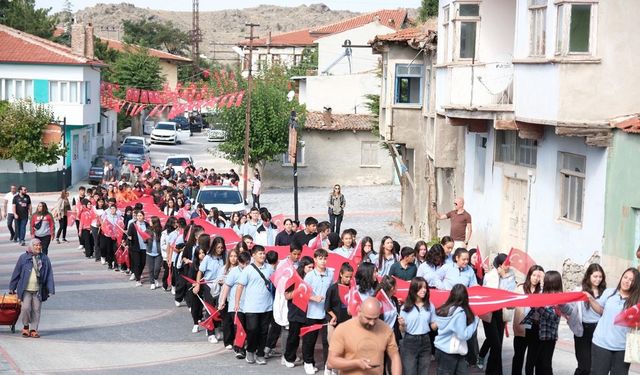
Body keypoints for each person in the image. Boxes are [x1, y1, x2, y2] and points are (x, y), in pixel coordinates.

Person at [328, 297, 401, 375]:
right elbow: (331, 362)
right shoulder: (343, 329)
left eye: (376, 318)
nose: (372, 323)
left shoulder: (386, 329)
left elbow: (394, 356)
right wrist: (356, 363)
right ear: (359, 311)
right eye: (368, 318)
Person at [588, 267, 640, 375]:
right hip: (601, 344)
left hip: (623, 348)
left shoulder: (636, 300)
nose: (627, 281)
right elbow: (601, 310)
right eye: (625, 277)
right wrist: (590, 299)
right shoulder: (609, 292)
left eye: (631, 280)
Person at [521, 270, 573, 375]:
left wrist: (538, 307)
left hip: (548, 336)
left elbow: (554, 315)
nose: (542, 281)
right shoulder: (541, 294)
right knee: (533, 362)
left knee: (545, 365)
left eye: (545, 280)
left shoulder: (559, 297)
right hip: (536, 333)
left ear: (551, 282)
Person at [234, 245, 274, 365]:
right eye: (260, 253)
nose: (262, 255)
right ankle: (250, 350)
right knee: (252, 330)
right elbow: (240, 286)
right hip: (251, 307)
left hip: (267, 306)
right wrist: (237, 303)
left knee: (264, 331)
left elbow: (275, 282)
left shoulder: (269, 269)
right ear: (253, 255)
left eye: (263, 253)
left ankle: (260, 354)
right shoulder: (248, 269)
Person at [8, 239, 55, 338]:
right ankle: (26, 326)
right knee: (25, 308)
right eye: (36, 245)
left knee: (36, 309)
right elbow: (16, 273)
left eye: (39, 245)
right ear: (31, 246)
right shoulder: (23, 258)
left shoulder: (44, 258)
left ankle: (33, 329)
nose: (38, 247)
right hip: (25, 289)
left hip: (38, 289)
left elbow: (49, 274)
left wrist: (50, 289)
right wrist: (12, 287)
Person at [481, 253, 516, 375]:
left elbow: (509, 293)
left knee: (498, 346)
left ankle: (491, 372)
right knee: (495, 345)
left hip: (501, 313)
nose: (508, 266)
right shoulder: (490, 276)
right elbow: (492, 294)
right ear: (500, 265)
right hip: (489, 313)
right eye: (506, 264)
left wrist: (505, 277)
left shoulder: (510, 275)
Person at [434, 284, 480, 375]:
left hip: (443, 350)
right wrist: (475, 321)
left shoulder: (444, 308)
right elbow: (463, 335)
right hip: (453, 351)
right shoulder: (460, 313)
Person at [302, 249, 333, 374]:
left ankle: (327, 365)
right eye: (320, 258)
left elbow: (332, 290)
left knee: (327, 340)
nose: (323, 261)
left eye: (325, 258)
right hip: (312, 312)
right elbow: (302, 292)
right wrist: (313, 297)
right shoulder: (309, 275)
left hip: (326, 312)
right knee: (310, 339)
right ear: (315, 260)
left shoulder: (330, 274)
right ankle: (308, 362)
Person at [398, 277, 437, 375]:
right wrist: (402, 325)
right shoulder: (405, 307)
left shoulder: (430, 306)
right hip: (409, 341)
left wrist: (441, 320)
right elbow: (402, 330)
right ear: (414, 289)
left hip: (426, 340)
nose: (424, 290)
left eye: (425, 287)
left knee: (423, 371)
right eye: (421, 288)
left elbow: (433, 326)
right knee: (410, 371)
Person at [511, 265, 545, 375]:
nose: (536, 278)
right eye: (533, 275)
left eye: (538, 276)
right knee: (518, 357)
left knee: (531, 361)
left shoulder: (542, 291)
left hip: (536, 328)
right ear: (529, 275)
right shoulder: (520, 288)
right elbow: (511, 304)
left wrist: (544, 284)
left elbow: (547, 304)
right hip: (521, 328)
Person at [573, 263, 606, 375]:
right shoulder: (579, 290)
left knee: (594, 367)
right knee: (584, 366)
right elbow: (570, 308)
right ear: (588, 276)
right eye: (595, 276)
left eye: (600, 277)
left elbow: (605, 311)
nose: (598, 279)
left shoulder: (605, 292)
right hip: (583, 330)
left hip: (599, 330)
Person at [283, 256, 315, 368]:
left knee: (308, 338)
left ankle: (308, 360)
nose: (311, 269)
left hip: (309, 311)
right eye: (309, 267)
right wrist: (298, 290)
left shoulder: (313, 278)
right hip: (295, 311)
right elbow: (287, 296)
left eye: (313, 267)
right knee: (294, 337)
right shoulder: (294, 278)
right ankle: (288, 357)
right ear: (303, 267)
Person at [219, 250, 251, 356]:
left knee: (249, 327)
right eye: (243, 263)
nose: (245, 265)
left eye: (247, 263)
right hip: (235, 305)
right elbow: (227, 286)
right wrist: (222, 301)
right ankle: (239, 349)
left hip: (249, 305)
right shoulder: (234, 272)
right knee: (239, 327)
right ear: (239, 262)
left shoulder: (252, 270)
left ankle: (246, 346)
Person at [126, 210, 151, 287]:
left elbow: (149, 234)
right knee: (137, 263)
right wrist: (129, 241)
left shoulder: (146, 224)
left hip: (144, 247)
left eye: (140, 215)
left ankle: (138, 274)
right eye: (138, 216)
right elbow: (129, 235)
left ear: (143, 216)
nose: (139, 217)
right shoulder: (133, 225)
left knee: (143, 263)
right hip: (135, 247)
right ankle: (138, 279)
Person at [146, 216, 164, 290]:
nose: (149, 222)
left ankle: (155, 278)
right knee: (151, 269)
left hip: (158, 253)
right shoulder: (148, 230)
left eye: (150, 221)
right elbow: (145, 239)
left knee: (157, 268)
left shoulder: (161, 231)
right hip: (149, 252)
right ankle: (152, 282)